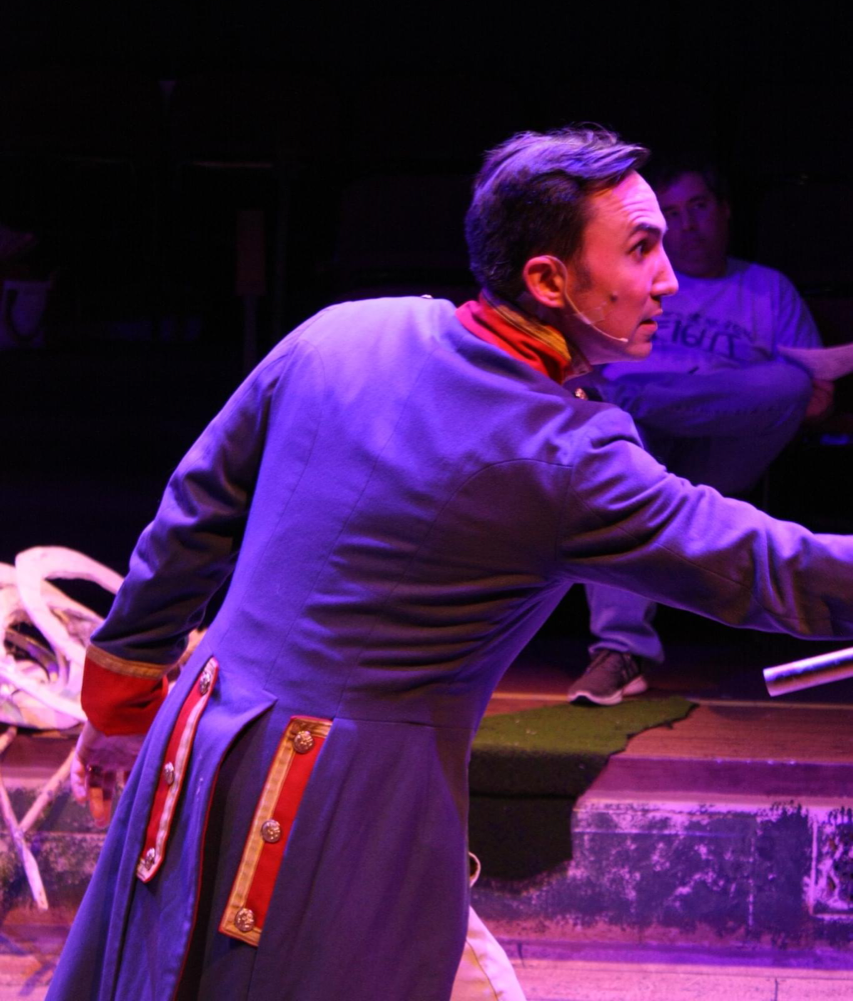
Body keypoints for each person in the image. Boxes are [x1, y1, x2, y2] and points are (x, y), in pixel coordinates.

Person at [48, 127, 853, 1001]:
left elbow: (193, 513)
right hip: (333, 805)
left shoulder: (344, 330)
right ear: (547, 280)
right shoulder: (564, 455)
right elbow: (768, 565)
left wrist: (125, 699)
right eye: (639, 249)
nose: (666, 278)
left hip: (195, 737)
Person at [567, 159, 833, 705]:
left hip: (725, 449)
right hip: (640, 444)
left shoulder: (768, 288)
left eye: (699, 207)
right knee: (614, 464)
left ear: (725, 211)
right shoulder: (640, 281)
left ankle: (637, 400)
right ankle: (619, 652)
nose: (686, 225)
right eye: (672, 214)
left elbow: (815, 398)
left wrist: (700, 395)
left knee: (788, 382)